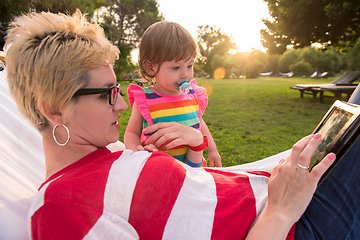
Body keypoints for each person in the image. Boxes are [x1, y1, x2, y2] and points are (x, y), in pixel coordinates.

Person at [4, 10, 360, 240]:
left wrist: (196, 145)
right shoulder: (60, 208)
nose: (124, 102)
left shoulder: (106, 155)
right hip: (299, 225)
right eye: (108, 93)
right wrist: (282, 211)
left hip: (285, 194)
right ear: (53, 108)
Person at [124, 21, 222, 167]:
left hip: (192, 166)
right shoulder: (145, 99)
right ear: (150, 67)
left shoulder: (193, 95)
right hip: (159, 168)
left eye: (189, 66)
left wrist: (212, 149)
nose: (185, 74)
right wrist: (135, 151)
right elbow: (131, 132)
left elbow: (200, 123)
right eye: (176, 67)